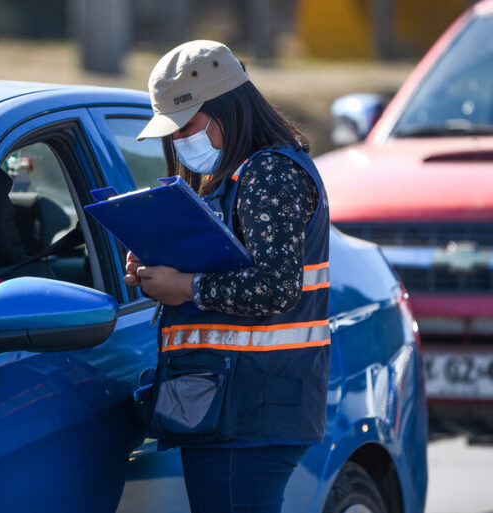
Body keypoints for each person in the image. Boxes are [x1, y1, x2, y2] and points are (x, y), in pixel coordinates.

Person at [124, 40, 331, 513]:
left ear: (227, 108)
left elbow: (276, 286)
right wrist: (159, 265)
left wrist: (186, 286)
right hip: (235, 405)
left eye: (187, 126)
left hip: (254, 412)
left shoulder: (268, 174)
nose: (179, 141)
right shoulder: (239, 174)